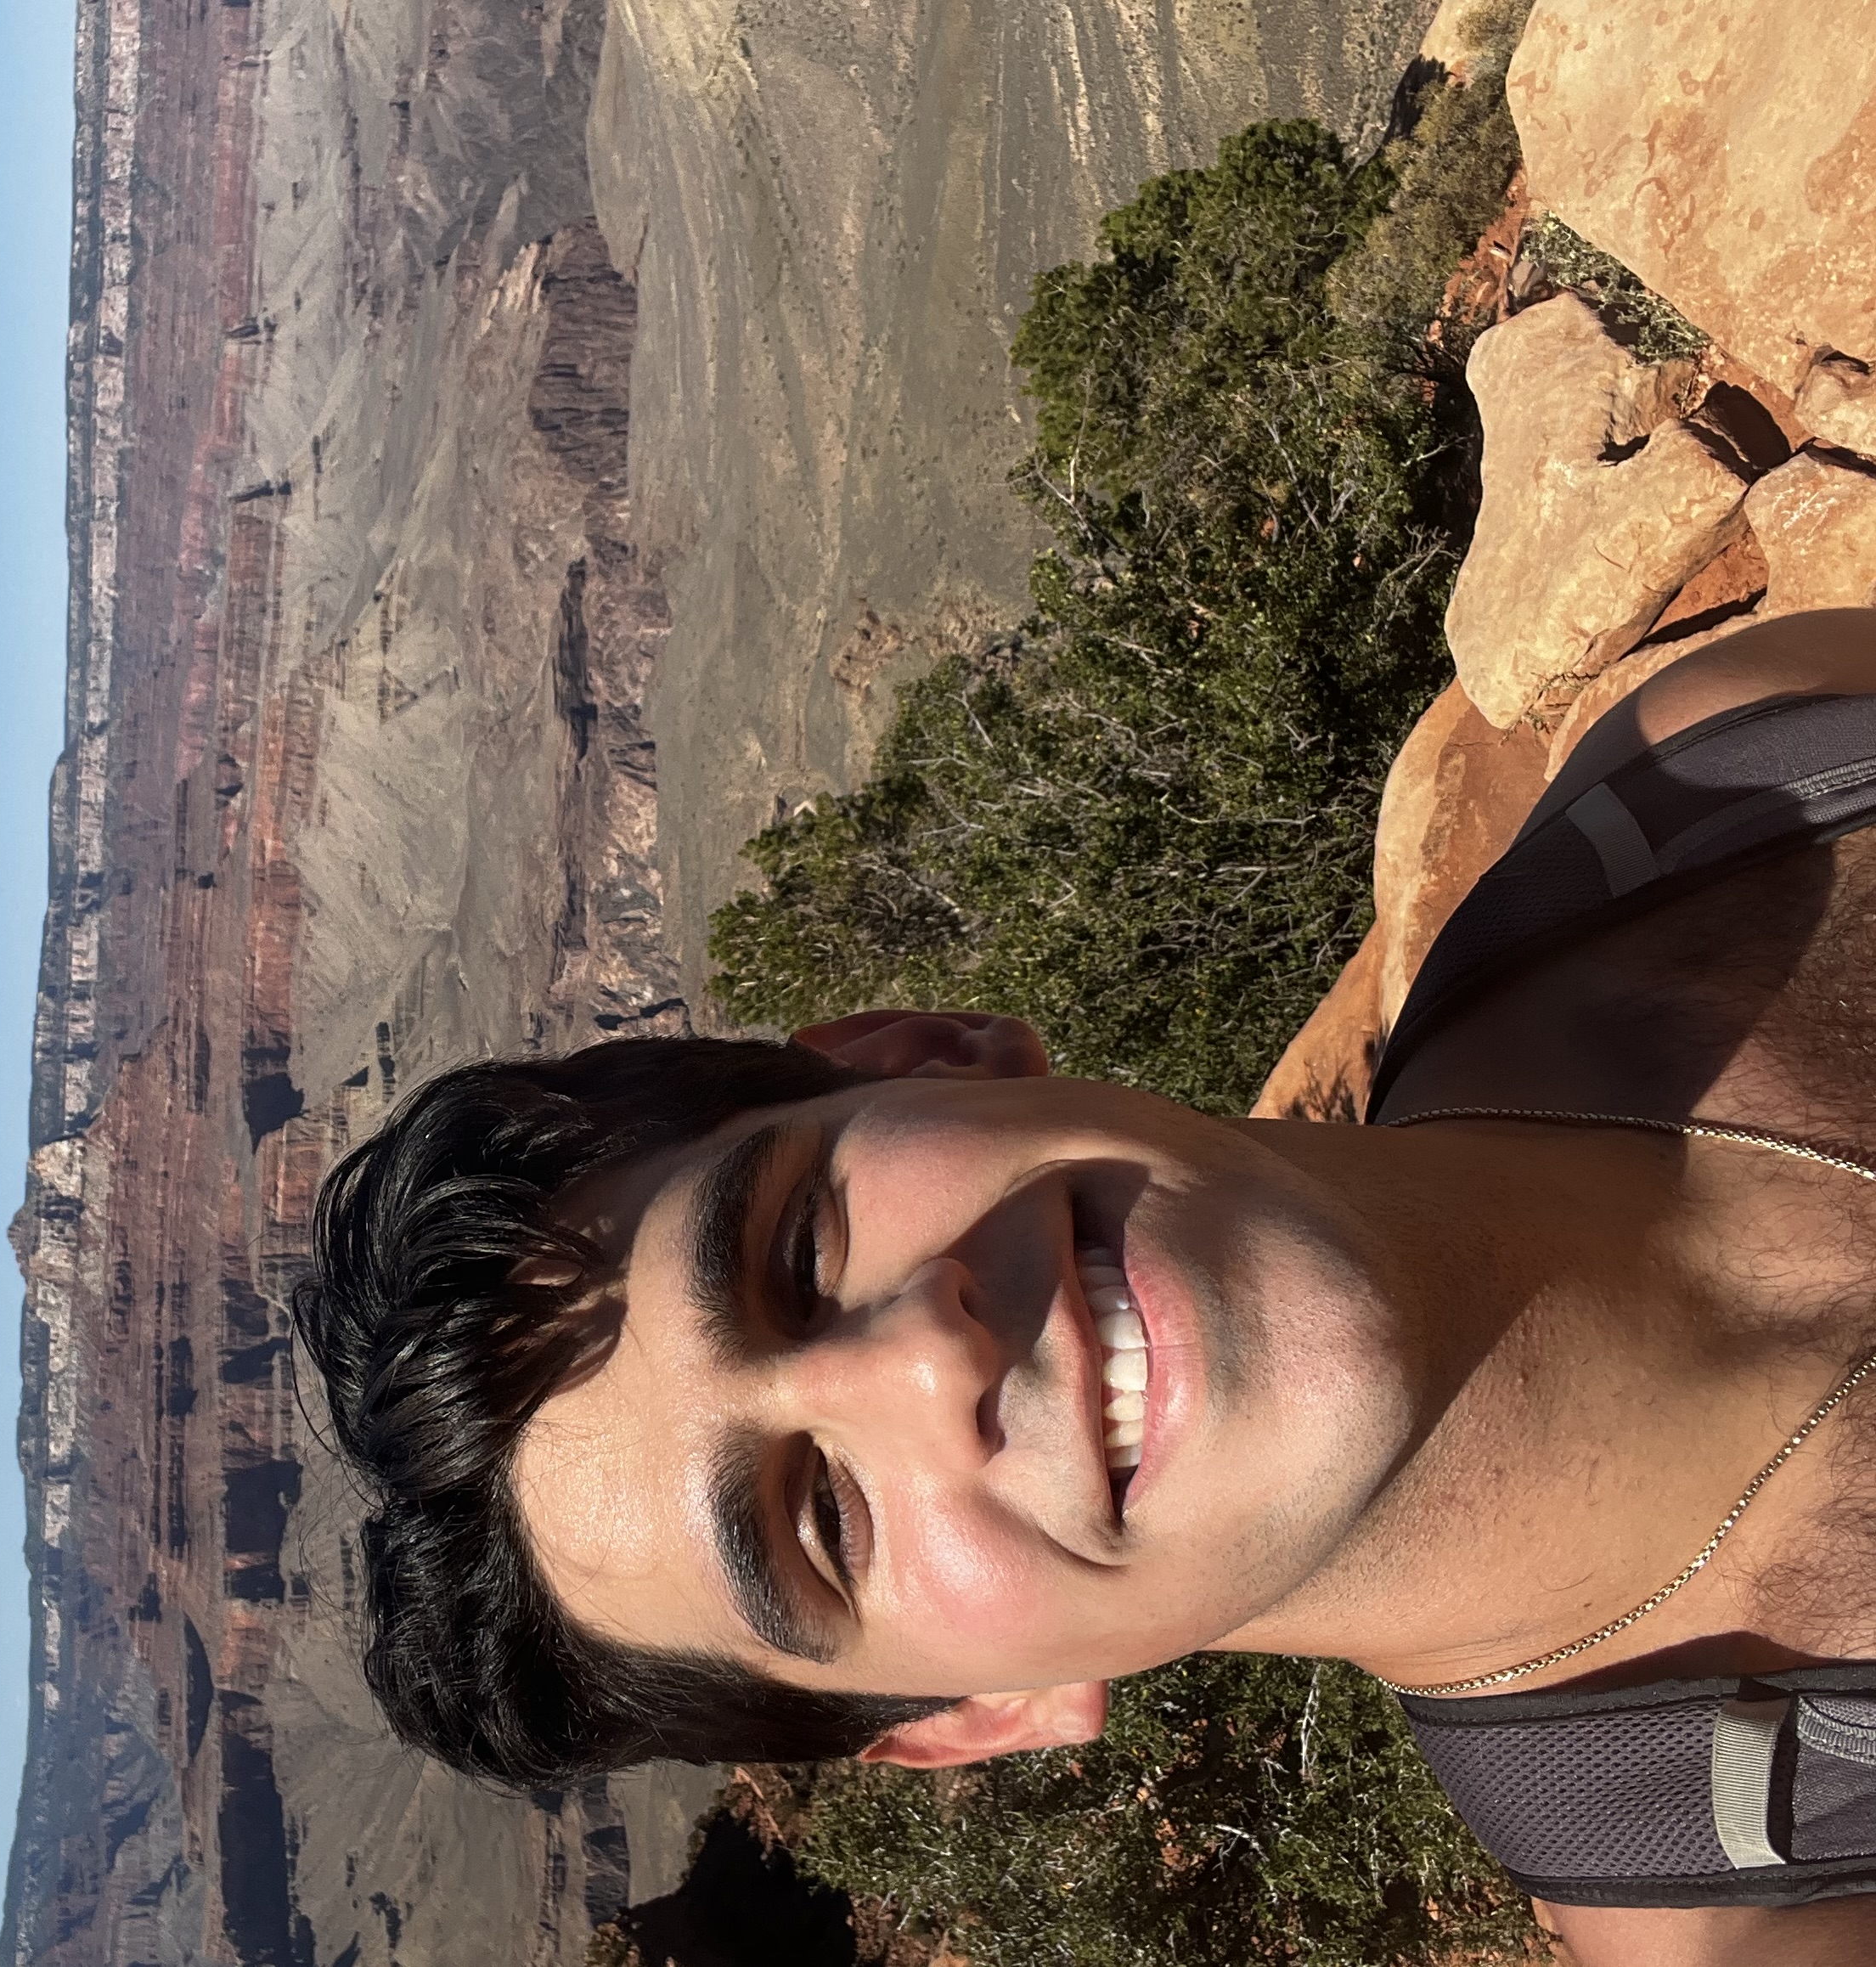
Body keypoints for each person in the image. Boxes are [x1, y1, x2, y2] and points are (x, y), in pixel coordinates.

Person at [292, 608, 1876, 1965]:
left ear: (922, 1057)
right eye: (820, 1522)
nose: (925, 1363)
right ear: (978, 1712)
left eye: (796, 1250)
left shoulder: (1729, 782)